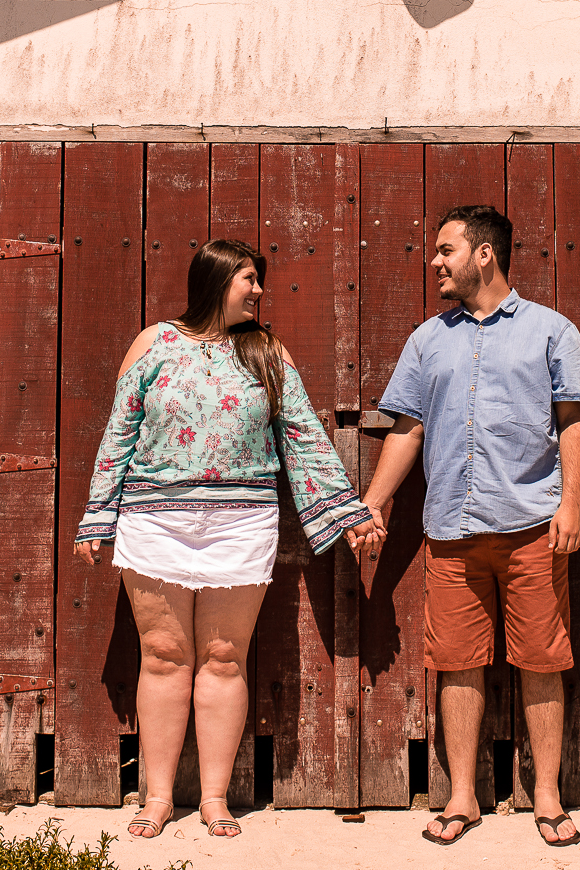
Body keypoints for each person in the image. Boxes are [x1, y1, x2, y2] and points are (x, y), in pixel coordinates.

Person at [73, 239, 379, 839]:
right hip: (156, 519)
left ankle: (214, 797)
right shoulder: (154, 343)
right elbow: (119, 431)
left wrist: (350, 513)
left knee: (222, 657)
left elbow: (304, 436)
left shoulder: (267, 351)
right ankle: (156, 798)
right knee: (163, 656)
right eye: (248, 279)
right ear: (216, 281)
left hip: (241, 521)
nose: (259, 291)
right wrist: (97, 517)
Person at [359, 204, 580, 848]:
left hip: (532, 528)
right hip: (452, 533)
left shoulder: (552, 331)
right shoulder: (427, 340)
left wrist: (570, 503)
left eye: (445, 251)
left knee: (541, 661)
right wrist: (376, 502)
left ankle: (546, 795)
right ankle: (463, 796)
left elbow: (573, 419)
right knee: (457, 664)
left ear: (483, 253)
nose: (434, 262)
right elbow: (407, 428)